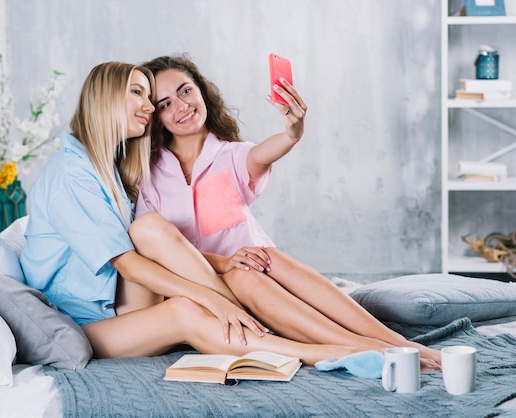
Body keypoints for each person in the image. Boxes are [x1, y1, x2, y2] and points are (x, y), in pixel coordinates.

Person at [19, 61, 370, 367]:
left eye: (149, 97)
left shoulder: (108, 169)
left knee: (154, 232)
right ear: (107, 98)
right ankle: (332, 352)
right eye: (140, 94)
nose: (148, 106)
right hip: (84, 322)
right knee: (185, 307)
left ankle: (361, 341)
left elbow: (258, 156)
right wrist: (212, 299)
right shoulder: (72, 173)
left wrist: (221, 269)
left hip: (120, 302)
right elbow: (127, 264)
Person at [136, 54, 441, 370]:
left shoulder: (232, 156)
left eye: (185, 91)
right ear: (156, 116)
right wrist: (224, 263)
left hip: (263, 275)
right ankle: (367, 348)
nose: (181, 106)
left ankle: (398, 343)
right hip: (208, 290)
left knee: (266, 257)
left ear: (201, 91)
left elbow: (263, 153)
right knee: (245, 273)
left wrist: (292, 133)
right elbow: (154, 253)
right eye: (165, 104)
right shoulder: (148, 176)